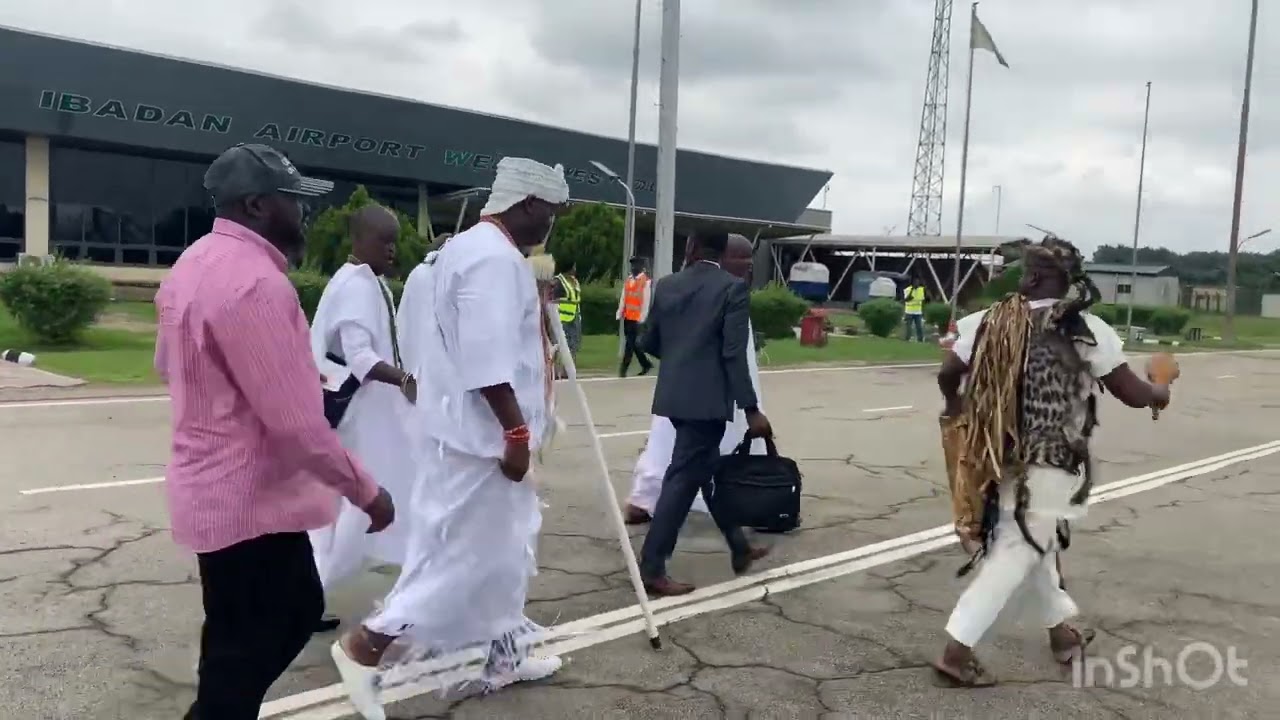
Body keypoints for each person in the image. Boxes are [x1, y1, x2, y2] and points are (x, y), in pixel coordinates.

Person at [154, 143, 395, 720]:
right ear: (258, 205)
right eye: (292, 200)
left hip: (212, 494)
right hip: (250, 504)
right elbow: (297, 426)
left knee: (237, 645)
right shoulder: (258, 286)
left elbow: (168, 364)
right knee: (267, 635)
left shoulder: (192, 264)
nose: (302, 212)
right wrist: (367, 491)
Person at [330, 157, 569, 720]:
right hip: (481, 444)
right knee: (465, 558)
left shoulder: (475, 251)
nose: (552, 225)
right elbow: (487, 361)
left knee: (503, 556)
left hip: (463, 437)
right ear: (529, 204)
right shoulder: (492, 259)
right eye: (552, 213)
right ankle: (366, 646)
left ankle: (505, 655)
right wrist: (514, 433)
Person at [932, 235, 1174, 687]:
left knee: (1033, 545)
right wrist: (1162, 387)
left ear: (1032, 275)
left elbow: (949, 374)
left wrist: (957, 410)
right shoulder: (1085, 328)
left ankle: (1062, 635)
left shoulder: (988, 320)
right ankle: (956, 650)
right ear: (1065, 281)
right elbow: (1135, 395)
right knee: (1018, 549)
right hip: (1047, 460)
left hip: (994, 452)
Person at [637, 231, 772, 597]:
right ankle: (651, 566)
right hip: (707, 402)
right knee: (682, 479)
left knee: (707, 472)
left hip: (674, 397)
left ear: (691, 249)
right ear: (724, 252)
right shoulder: (732, 289)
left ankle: (739, 548)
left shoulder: (666, 285)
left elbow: (646, 342)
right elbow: (732, 354)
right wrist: (752, 409)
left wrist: (682, 359)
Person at [308, 205, 419, 632]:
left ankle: (308, 594)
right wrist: (405, 379)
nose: (391, 250)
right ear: (359, 240)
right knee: (353, 503)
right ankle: (307, 593)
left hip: (365, 413)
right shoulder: (356, 285)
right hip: (354, 415)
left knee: (345, 504)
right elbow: (360, 359)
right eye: (383, 241)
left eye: (394, 241)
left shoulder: (369, 281)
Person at [616, 256, 653, 377]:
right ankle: (646, 364)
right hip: (628, 317)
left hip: (637, 319)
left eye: (635, 265)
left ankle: (623, 369)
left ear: (641, 267)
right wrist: (620, 312)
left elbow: (646, 302)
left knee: (630, 344)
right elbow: (623, 298)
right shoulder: (629, 280)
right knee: (633, 344)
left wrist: (642, 319)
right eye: (632, 265)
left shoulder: (645, 281)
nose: (633, 268)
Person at [552, 260, 582, 375]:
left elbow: (576, 300)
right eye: (574, 267)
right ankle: (553, 370)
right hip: (561, 317)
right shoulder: (558, 281)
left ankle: (567, 370)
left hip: (574, 317)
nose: (575, 269)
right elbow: (552, 300)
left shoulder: (575, 281)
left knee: (573, 344)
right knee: (557, 344)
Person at [903, 276, 926, 342]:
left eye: (918, 282)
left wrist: (923, 311)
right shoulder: (907, 289)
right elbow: (906, 299)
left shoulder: (921, 289)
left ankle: (920, 340)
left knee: (919, 327)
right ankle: (907, 339)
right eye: (915, 282)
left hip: (918, 312)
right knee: (908, 327)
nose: (917, 284)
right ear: (912, 283)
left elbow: (923, 300)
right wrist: (911, 290)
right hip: (909, 311)